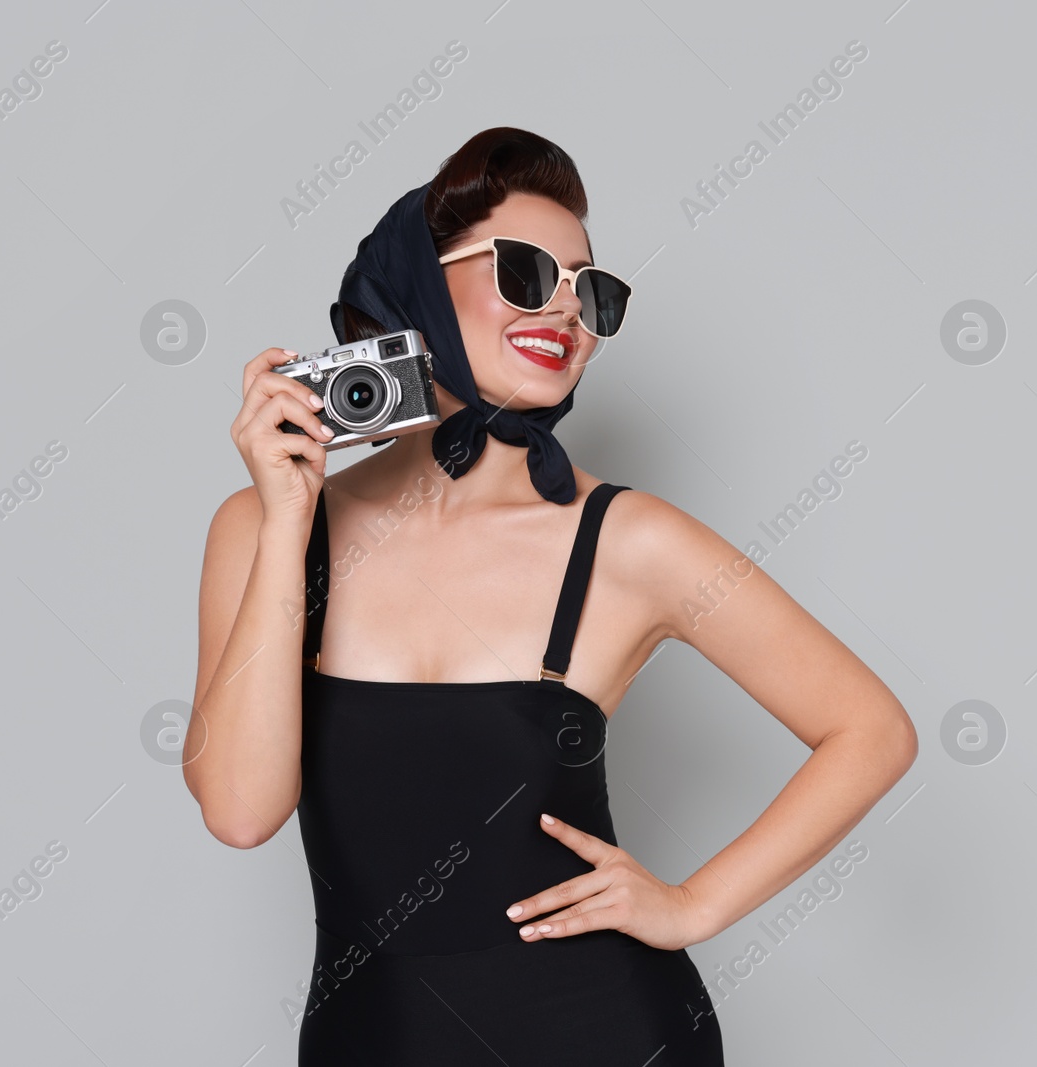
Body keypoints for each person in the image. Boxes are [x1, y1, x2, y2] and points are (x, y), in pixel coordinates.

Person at [183, 127, 917, 1065]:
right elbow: (242, 811)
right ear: (416, 286)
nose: (567, 309)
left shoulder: (628, 541)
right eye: (527, 272)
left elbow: (872, 729)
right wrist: (289, 516)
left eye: (592, 291)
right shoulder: (258, 531)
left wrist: (691, 904)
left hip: (602, 1031)